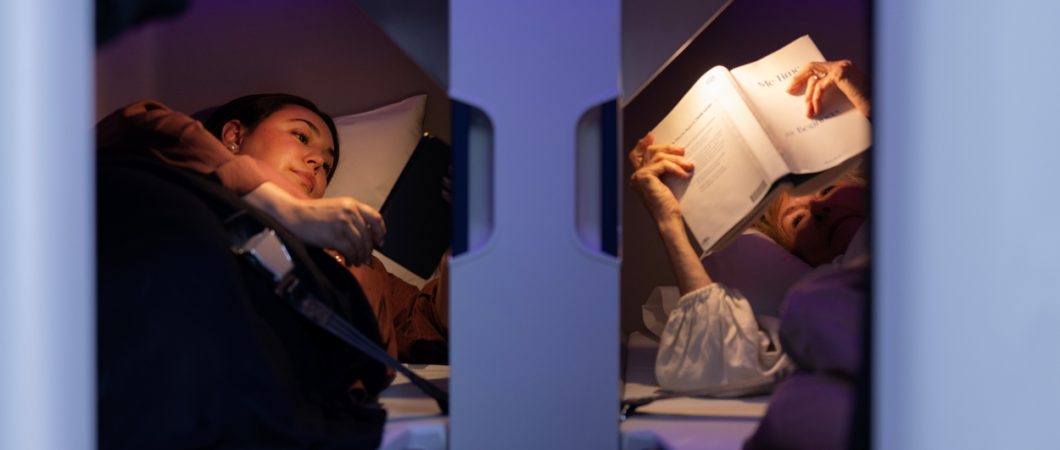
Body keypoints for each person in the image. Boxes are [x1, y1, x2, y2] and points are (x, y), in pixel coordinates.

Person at [97, 93, 449, 364]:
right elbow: (140, 126)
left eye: (327, 165)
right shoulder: (180, 184)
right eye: (301, 136)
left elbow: (432, 325)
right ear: (234, 136)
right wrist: (283, 209)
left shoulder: (359, 260)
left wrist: (474, 226)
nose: (317, 161)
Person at [628, 59, 870, 395]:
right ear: (800, 259)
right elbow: (721, 363)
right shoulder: (821, 305)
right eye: (796, 221)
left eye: (829, 188)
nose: (818, 208)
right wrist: (667, 219)